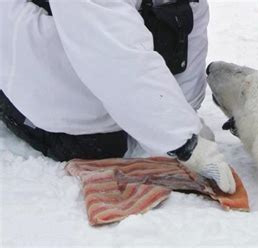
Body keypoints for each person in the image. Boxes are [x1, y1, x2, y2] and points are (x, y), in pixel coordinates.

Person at [0, 0, 236, 193]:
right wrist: (186, 141)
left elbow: (187, 18)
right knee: (93, 144)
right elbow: (114, 55)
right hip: (35, 47)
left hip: (99, 41)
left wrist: (185, 109)